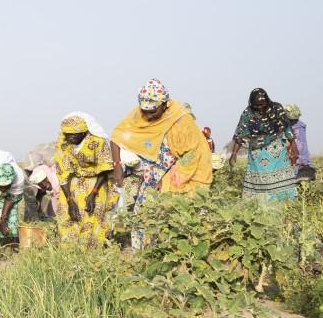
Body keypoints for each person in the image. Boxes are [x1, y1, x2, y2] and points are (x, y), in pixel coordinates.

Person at [111, 79, 213, 249]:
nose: (148, 116)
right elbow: (117, 136)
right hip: (151, 177)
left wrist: (167, 179)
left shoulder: (181, 121)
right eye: (144, 111)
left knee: (182, 221)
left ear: (164, 104)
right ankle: (144, 259)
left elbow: (193, 153)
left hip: (180, 178)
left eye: (152, 111)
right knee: (143, 218)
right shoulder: (138, 115)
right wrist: (117, 168)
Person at [53, 113, 117, 248]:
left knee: (92, 215)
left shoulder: (97, 142)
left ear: (83, 133)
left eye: (72, 135)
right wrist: (70, 200)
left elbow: (104, 168)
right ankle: (69, 251)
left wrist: (93, 194)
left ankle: (90, 253)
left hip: (97, 184)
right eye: (66, 134)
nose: (69, 138)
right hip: (73, 184)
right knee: (68, 214)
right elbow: (62, 172)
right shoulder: (63, 145)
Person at [229, 89, 298, 201]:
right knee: (259, 184)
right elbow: (240, 133)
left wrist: (294, 145)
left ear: (267, 101)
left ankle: (284, 202)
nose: (260, 108)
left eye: (262, 104)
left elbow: (286, 127)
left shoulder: (277, 108)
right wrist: (234, 153)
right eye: (257, 106)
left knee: (281, 183)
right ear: (251, 104)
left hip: (277, 152)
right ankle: (260, 206)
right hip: (257, 154)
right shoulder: (248, 113)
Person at [285, 103, 316, 182]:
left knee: (301, 158)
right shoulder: (285, 126)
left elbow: (301, 147)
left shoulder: (299, 127)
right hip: (289, 157)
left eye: (295, 120)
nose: (294, 121)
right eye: (292, 120)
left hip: (298, 158)